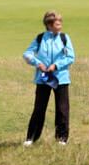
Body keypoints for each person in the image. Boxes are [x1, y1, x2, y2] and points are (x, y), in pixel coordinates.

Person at [22, 11, 75, 145]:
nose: (60, 26)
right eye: (57, 24)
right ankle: (31, 138)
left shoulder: (64, 38)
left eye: (60, 23)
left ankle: (62, 139)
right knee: (39, 109)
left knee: (62, 109)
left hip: (61, 79)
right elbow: (27, 54)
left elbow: (70, 57)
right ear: (49, 25)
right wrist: (37, 63)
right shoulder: (40, 38)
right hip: (43, 79)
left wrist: (56, 66)